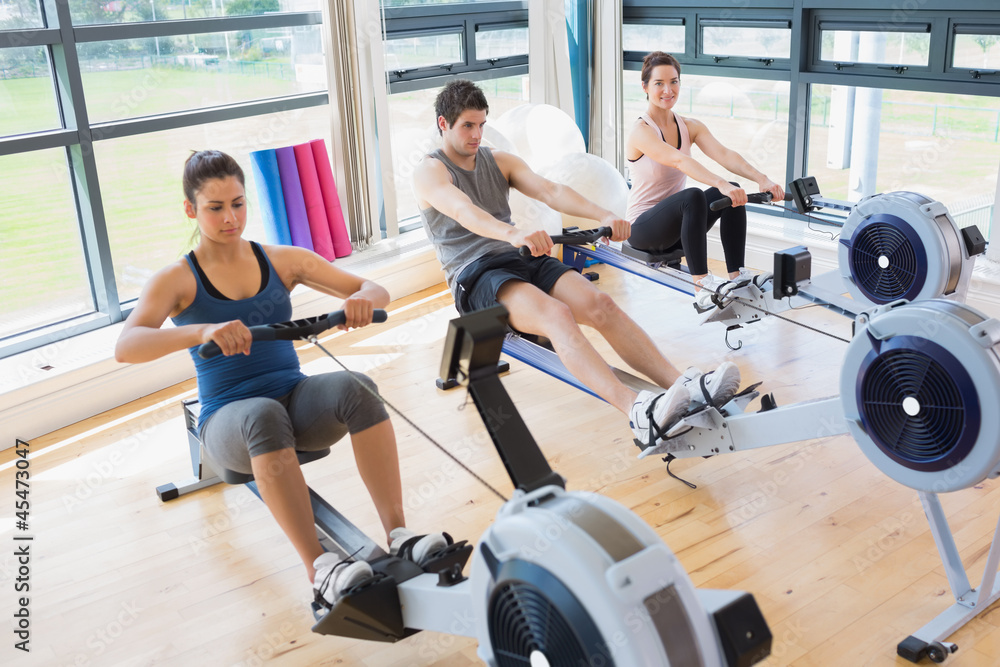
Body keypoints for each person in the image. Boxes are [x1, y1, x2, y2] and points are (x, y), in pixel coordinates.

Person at [115, 150, 446, 609]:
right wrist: (203, 330)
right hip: (229, 421)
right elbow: (126, 346)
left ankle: (399, 534)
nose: (231, 217)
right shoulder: (177, 279)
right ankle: (321, 570)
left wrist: (361, 300)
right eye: (215, 207)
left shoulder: (282, 260)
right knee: (263, 415)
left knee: (357, 387)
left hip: (294, 400)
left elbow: (373, 289)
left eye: (238, 203)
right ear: (190, 209)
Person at [412, 79, 742, 453]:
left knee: (603, 305)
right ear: (444, 124)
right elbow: (463, 211)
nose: (477, 134)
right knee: (556, 316)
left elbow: (550, 190)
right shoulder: (430, 171)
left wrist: (604, 212)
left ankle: (682, 383)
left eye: (482, 124)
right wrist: (513, 232)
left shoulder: (497, 160)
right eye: (467, 126)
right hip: (477, 274)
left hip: (520, 256)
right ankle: (636, 411)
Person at [625, 51, 785, 310]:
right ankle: (701, 286)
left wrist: (762, 179)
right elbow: (679, 161)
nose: (668, 89)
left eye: (674, 81)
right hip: (642, 229)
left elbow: (724, 154)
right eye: (659, 83)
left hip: (678, 230)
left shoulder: (689, 125)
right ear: (644, 86)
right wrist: (719, 183)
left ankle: (738, 277)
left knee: (731, 190)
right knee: (693, 196)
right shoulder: (641, 131)